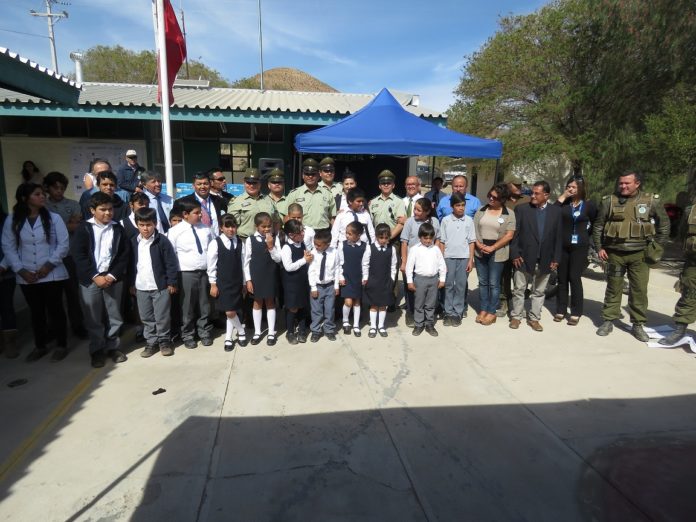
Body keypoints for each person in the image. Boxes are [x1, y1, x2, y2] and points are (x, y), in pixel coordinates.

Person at [593, 169, 669, 341]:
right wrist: (599, 247)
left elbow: (664, 226)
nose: (623, 186)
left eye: (627, 183)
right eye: (621, 183)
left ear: (637, 183)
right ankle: (608, 320)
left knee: (639, 290)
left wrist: (657, 247)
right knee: (613, 287)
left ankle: (638, 324)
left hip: (640, 255)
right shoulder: (609, 201)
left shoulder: (650, 201)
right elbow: (598, 226)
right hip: (615, 254)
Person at [2, 183, 69, 362]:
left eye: (42, 194)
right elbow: (8, 247)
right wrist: (21, 270)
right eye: (37, 194)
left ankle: (62, 344)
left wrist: (49, 265)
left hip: (52, 274)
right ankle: (40, 346)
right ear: (25, 198)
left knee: (56, 310)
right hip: (27, 275)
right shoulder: (13, 219)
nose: (42, 197)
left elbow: (63, 245)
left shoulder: (54, 218)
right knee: (36, 312)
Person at [71, 192, 131, 367]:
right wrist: (95, 276)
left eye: (110, 209)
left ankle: (113, 347)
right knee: (93, 317)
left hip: (113, 279)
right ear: (92, 210)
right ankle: (97, 349)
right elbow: (79, 255)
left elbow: (123, 255)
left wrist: (112, 275)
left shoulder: (118, 229)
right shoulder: (83, 229)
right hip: (91, 280)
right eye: (102, 210)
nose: (107, 213)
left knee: (114, 315)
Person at [509, 181, 563, 332]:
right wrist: (515, 254)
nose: (532, 196)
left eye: (536, 193)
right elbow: (515, 235)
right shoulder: (522, 209)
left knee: (539, 291)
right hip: (523, 258)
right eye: (532, 192)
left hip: (545, 259)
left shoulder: (556, 212)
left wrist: (556, 258)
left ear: (546, 195)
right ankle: (516, 316)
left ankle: (534, 318)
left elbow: (559, 238)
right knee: (519, 289)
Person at [44, 171, 87, 339]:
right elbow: (46, 231)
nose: (59, 191)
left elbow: (75, 226)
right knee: (51, 297)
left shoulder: (74, 204)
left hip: (69, 256)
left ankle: (78, 325)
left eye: (62, 188)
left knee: (73, 294)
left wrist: (59, 227)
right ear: (48, 188)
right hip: (48, 257)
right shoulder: (43, 206)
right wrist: (65, 225)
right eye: (55, 188)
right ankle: (53, 328)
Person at [130, 207, 178, 358]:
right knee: (146, 317)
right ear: (137, 224)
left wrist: (171, 282)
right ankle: (151, 342)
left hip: (160, 286)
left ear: (155, 223)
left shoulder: (162, 241)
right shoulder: (133, 241)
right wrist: (132, 284)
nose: (145, 228)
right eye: (142, 225)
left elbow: (171, 263)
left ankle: (164, 341)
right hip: (141, 286)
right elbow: (131, 265)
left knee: (162, 316)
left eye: (149, 225)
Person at [167, 199, 215, 349]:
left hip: (204, 272)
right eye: (196, 213)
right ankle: (187, 334)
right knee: (187, 306)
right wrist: (172, 279)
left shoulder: (206, 229)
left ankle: (204, 331)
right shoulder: (175, 232)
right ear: (185, 214)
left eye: (200, 212)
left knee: (204, 304)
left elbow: (213, 251)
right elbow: (171, 256)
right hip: (186, 274)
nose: (200, 215)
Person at [553, 176, 597, 325]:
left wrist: (586, 236)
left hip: (580, 246)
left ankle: (576, 312)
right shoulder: (564, 203)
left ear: (581, 188)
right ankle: (560, 309)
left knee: (574, 277)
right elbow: (552, 214)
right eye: (568, 186)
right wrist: (563, 196)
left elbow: (596, 223)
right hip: (563, 245)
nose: (570, 189)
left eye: (573, 187)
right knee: (562, 278)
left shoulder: (589, 205)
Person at [473, 184, 516, 326]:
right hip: (480, 250)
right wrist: (479, 245)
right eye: (489, 195)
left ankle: (492, 311)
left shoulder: (509, 213)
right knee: (483, 282)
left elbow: (509, 235)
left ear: (502, 199)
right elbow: (475, 230)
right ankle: (484, 309)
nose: (491, 198)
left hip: (497, 251)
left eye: (495, 197)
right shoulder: (481, 210)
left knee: (494, 283)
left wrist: (492, 248)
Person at [208, 214, 247, 351]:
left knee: (233, 310)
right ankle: (241, 331)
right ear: (221, 228)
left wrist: (244, 282)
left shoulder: (240, 242)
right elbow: (211, 265)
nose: (231, 229)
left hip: (236, 281)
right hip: (223, 283)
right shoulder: (215, 243)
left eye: (233, 226)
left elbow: (243, 264)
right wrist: (213, 283)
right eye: (227, 226)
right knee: (229, 311)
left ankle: (228, 338)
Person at [660, 201, 696, 345]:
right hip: (693, 262)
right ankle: (680, 331)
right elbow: (682, 235)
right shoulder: (691, 210)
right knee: (688, 295)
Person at [400, 198, 440, 326]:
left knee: (428, 291)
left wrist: (438, 259)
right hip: (413, 262)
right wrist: (404, 262)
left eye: (418, 210)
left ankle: (427, 315)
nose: (415, 212)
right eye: (415, 209)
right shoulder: (410, 222)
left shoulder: (434, 222)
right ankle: (411, 313)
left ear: (427, 212)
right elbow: (404, 242)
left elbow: (438, 240)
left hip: (428, 262)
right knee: (411, 289)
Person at [243, 212, 281, 345]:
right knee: (257, 303)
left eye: (269, 226)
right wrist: (248, 280)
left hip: (270, 275)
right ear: (256, 226)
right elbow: (246, 261)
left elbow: (278, 258)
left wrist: (271, 246)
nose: (266, 229)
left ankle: (271, 332)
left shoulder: (275, 239)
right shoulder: (250, 240)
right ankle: (257, 332)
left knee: (270, 302)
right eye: (263, 226)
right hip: (256, 276)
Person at [497, 174, 531, 317]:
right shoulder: (501, 200)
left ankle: (519, 306)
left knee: (520, 277)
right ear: (508, 185)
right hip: (505, 243)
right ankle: (504, 303)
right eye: (516, 185)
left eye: (520, 185)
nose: (519, 187)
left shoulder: (528, 200)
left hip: (521, 245)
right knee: (503, 275)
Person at [440, 193, 477, 326]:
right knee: (449, 285)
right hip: (448, 257)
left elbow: (471, 241)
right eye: (458, 205)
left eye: (463, 205)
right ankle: (448, 312)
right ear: (452, 207)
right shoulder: (445, 220)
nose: (461, 208)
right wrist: (441, 260)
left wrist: (470, 259)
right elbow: (442, 241)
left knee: (461, 286)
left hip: (464, 257)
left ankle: (457, 312)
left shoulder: (468, 220)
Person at [405, 222, 446, 337]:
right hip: (419, 280)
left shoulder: (436, 249)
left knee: (431, 304)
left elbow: (441, 265)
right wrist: (410, 281)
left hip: (433, 280)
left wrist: (442, 279)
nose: (428, 240)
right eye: (425, 238)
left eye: (430, 238)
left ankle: (429, 324)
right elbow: (409, 266)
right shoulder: (414, 249)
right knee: (419, 303)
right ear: (420, 237)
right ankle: (419, 324)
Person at [363, 223, 398, 338]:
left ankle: (381, 326)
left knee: (383, 305)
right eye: (381, 237)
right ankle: (373, 326)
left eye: (386, 238)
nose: (383, 240)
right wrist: (365, 278)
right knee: (373, 305)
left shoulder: (391, 249)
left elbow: (394, 265)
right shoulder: (370, 248)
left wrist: (392, 278)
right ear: (376, 236)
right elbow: (365, 264)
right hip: (373, 281)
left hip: (385, 281)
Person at [281, 219, 313, 344]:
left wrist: (309, 258)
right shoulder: (286, 248)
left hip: (303, 280)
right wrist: (304, 260)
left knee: (302, 306)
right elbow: (288, 267)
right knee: (293, 308)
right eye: (300, 232)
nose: (303, 233)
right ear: (291, 235)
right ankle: (290, 332)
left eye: (303, 230)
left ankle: (302, 331)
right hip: (292, 283)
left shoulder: (303, 244)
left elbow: (307, 259)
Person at [286, 159, 336, 232]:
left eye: (313, 174)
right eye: (307, 174)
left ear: (318, 175)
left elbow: (332, 217)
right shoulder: (294, 194)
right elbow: (287, 217)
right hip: (301, 232)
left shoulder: (327, 193)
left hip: (323, 233)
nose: (310, 177)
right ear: (303, 175)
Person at [308, 229, 340, 342]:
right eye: (315, 244)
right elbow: (311, 271)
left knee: (329, 309)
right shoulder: (313, 252)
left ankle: (329, 329)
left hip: (330, 286)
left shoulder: (334, 252)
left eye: (319, 245)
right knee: (316, 310)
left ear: (327, 244)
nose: (316, 246)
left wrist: (336, 285)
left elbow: (337, 269)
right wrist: (313, 287)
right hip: (317, 286)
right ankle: (316, 330)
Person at [228, 168, 276, 241]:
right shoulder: (236, 202)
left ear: (260, 183)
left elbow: (276, 221)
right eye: (248, 183)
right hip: (245, 241)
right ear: (244, 182)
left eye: (254, 183)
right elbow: (231, 226)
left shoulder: (269, 200)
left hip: (268, 240)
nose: (251, 186)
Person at [338, 222, 366, 336]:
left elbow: (365, 263)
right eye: (346, 233)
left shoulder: (365, 246)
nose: (347, 235)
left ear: (358, 235)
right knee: (348, 302)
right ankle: (345, 322)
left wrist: (365, 276)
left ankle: (356, 325)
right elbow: (339, 262)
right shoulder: (342, 245)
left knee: (357, 302)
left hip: (358, 277)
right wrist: (340, 276)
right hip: (347, 277)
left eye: (350, 234)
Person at [175, 171, 225, 236]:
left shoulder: (220, 201)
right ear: (193, 186)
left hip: (217, 242)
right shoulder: (182, 203)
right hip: (194, 242)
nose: (202, 187)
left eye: (205, 183)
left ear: (210, 184)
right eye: (199, 184)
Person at [0, 203, 18, 358]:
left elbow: (11, 246)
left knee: (6, 307)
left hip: (6, 273)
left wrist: (2, 266)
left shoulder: (7, 221)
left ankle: (10, 342)